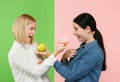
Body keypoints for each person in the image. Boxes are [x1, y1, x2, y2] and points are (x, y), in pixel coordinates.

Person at [8, 14, 67, 82]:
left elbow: (43, 70)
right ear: (21, 29)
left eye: (34, 29)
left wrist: (45, 61)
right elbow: (37, 72)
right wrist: (55, 52)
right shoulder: (15, 52)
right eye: (31, 28)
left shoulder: (34, 45)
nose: (34, 32)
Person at [53, 13, 106, 82]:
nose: (73, 32)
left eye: (76, 29)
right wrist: (64, 58)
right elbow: (70, 70)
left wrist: (51, 59)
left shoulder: (94, 53)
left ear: (87, 29)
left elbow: (70, 74)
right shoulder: (82, 49)